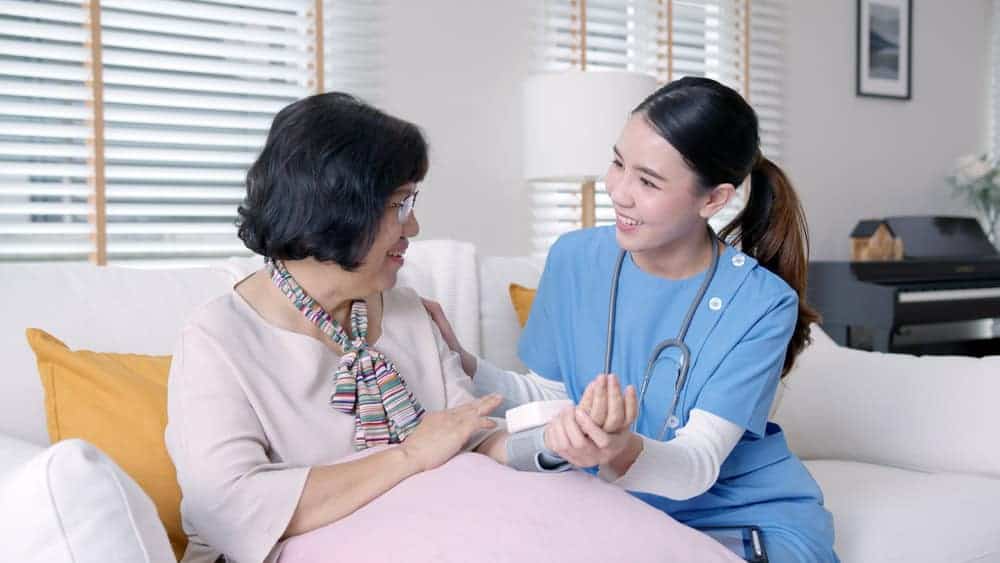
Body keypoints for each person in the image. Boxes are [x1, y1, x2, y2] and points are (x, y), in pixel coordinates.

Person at [427, 76, 839, 562]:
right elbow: (555, 395)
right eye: (618, 162)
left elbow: (699, 463)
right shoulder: (575, 258)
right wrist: (463, 364)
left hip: (738, 517)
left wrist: (617, 450)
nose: (619, 192)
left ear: (713, 199)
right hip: (611, 505)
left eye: (647, 181)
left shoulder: (761, 302)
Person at [164, 93, 509, 563]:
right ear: (335, 209)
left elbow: (472, 436)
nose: (414, 227)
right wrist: (408, 457)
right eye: (398, 204)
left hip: (425, 535)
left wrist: (556, 441)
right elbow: (228, 508)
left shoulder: (406, 309)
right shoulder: (218, 338)